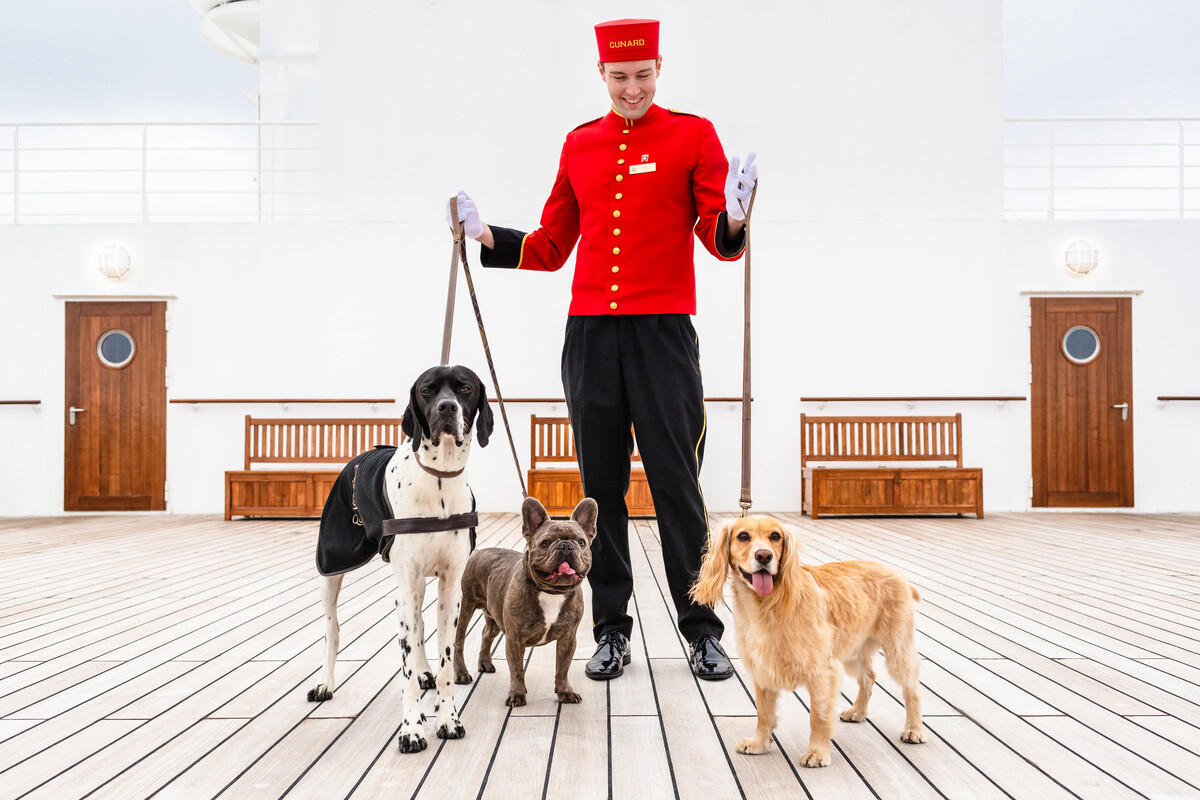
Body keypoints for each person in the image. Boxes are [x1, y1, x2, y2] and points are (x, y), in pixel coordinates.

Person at [447, 18, 757, 681]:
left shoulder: (693, 135)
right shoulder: (580, 143)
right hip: (590, 335)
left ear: (658, 70)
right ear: (602, 77)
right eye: (620, 78)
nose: (632, 89)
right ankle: (610, 629)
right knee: (603, 491)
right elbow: (553, 245)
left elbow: (716, 235)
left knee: (677, 485)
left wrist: (734, 214)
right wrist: (486, 236)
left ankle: (702, 629)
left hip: (663, 333)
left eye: (643, 76)